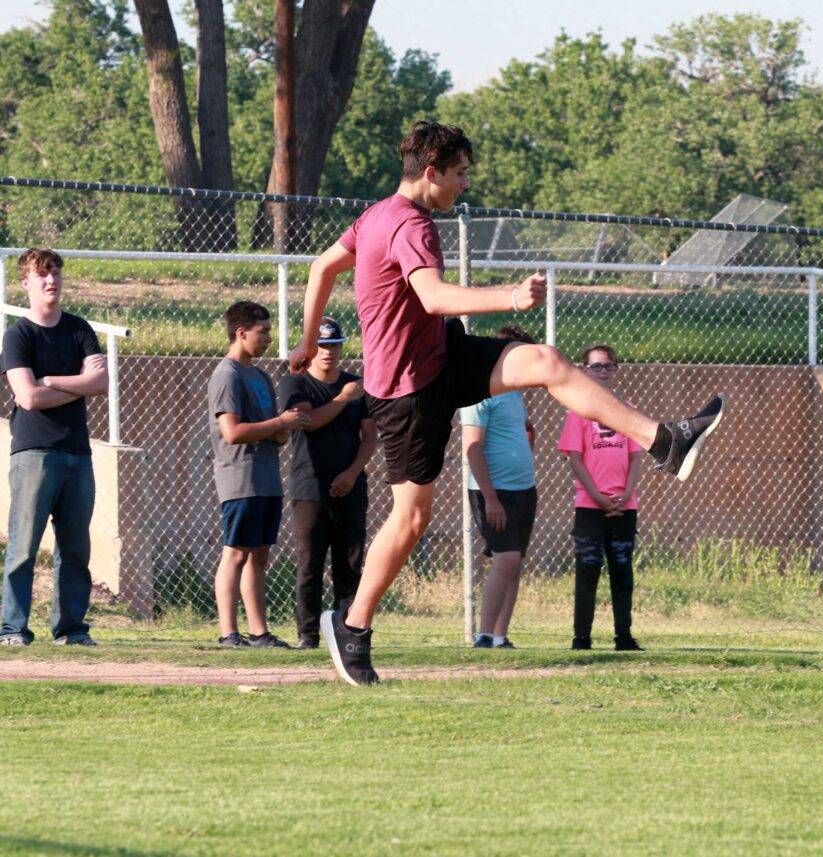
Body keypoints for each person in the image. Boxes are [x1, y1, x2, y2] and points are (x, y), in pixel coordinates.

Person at [289, 120, 724, 686]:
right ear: (431, 172)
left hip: (441, 358)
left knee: (545, 362)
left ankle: (665, 440)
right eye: (460, 173)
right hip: (406, 389)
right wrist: (508, 296)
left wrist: (303, 338)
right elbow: (434, 296)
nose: (464, 184)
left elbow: (322, 266)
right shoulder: (409, 224)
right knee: (412, 517)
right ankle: (351, 625)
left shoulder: (374, 215)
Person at [1, 249, 108, 646]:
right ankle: (13, 629)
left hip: (77, 453)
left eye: (56, 274)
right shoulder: (18, 335)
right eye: (42, 275)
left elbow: (100, 384)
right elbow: (27, 399)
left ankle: (71, 630)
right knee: (24, 546)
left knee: (75, 547)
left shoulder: (79, 329)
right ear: (25, 283)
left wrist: (50, 381)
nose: (51, 281)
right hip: (34, 453)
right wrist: (73, 382)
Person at [207, 301, 308, 648]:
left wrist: (285, 428)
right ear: (241, 332)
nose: (268, 337)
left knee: (259, 555)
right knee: (235, 552)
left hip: (266, 477)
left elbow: (269, 431)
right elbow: (232, 432)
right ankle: (227, 633)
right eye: (262, 331)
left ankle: (258, 632)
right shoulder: (227, 375)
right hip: (240, 478)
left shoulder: (260, 375)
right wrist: (280, 423)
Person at [277, 316, 377, 649]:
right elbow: (309, 422)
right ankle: (308, 635)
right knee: (310, 563)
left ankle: (348, 631)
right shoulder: (297, 383)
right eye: (321, 346)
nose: (328, 353)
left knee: (349, 563)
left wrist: (352, 473)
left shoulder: (354, 385)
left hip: (350, 487)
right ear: (310, 349)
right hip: (310, 487)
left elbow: (369, 437)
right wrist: (341, 399)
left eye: (334, 346)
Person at [558, 344, 644, 651]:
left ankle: (624, 636)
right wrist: (597, 495)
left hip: (624, 505)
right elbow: (575, 459)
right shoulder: (578, 410)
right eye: (596, 366)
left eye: (608, 366)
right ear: (584, 370)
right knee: (588, 569)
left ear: (616, 369)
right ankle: (582, 638)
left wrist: (626, 492)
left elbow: (635, 457)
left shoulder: (627, 410)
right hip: (590, 506)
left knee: (622, 569)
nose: (603, 371)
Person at [460, 325, 539, 649]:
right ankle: (483, 635)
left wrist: (525, 441)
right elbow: (473, 447)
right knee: (506, 558)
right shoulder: (478, 392)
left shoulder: (515, 393)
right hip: (493, 491)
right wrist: (490, 498)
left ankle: (500, 636)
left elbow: (519, 432)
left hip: (524, 489)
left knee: (514, 561)